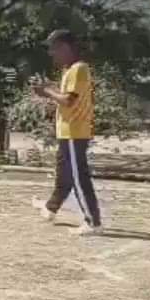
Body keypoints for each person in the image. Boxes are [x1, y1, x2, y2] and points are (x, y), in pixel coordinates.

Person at [31, 30, 102, 237]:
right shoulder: (69, 70)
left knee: (79, 178)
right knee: (64, 176)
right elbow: (66, 96)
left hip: (74, 131)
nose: (52, 54)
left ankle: (93, 221)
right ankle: (51, 208)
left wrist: (47, 92)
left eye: (54, 49)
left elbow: (69, 100)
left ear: (64, 47)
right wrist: (50, 89)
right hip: (68, 131)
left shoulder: (79, 69)